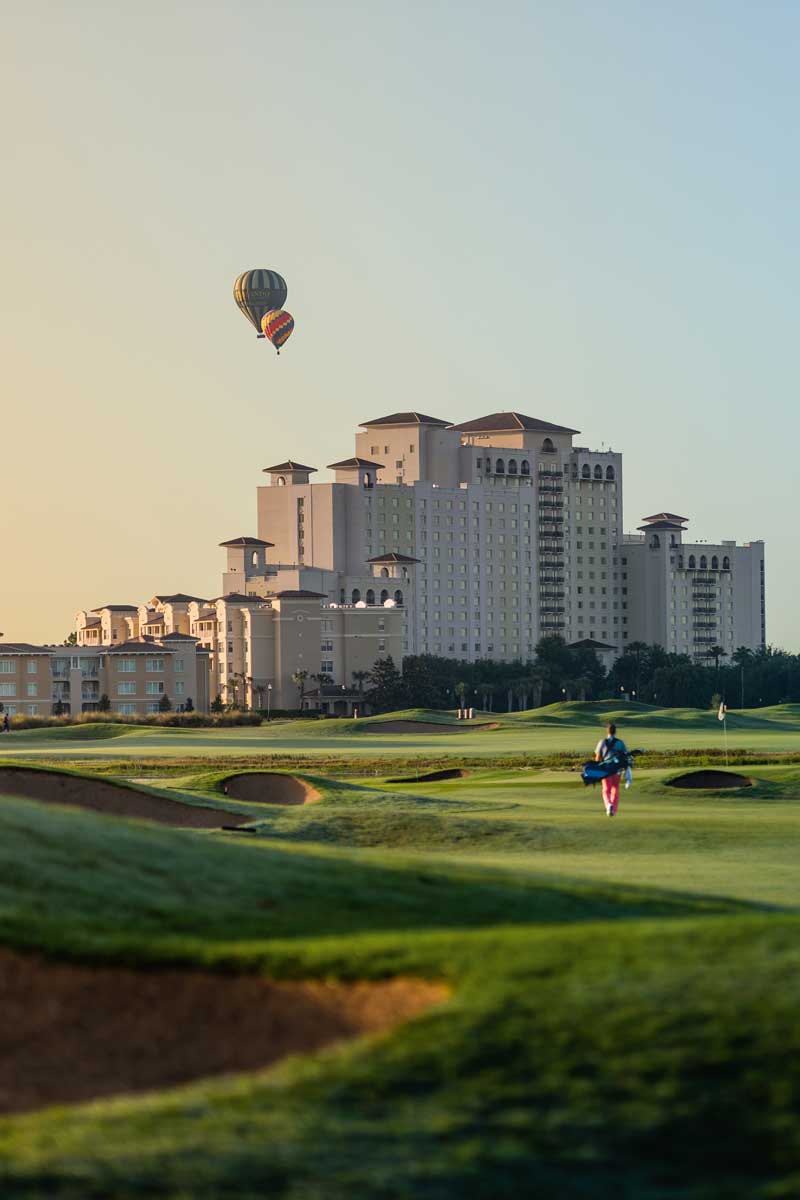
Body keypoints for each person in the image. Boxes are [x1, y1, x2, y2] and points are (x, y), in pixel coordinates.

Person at [595, 722, 626, 817]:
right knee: (615, 789)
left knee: (606, 790)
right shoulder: (620, 743)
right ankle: (614, 809)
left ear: (607, 731)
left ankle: (609, 805)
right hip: (617, 770)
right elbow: (624, 757)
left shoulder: (602, 742)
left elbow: (597, 758)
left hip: (606, 769)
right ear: (615, 731)